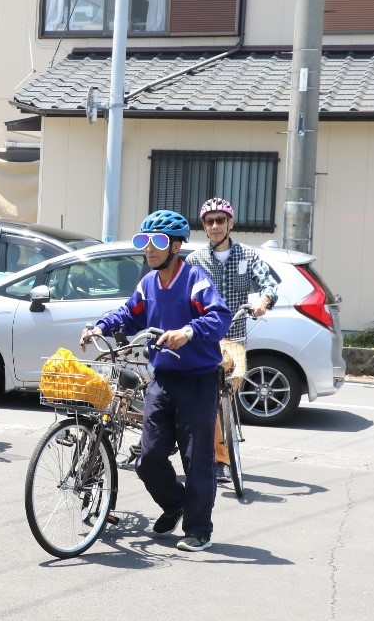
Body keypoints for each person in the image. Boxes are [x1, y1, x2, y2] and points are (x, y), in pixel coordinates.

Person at [81, 210, 230, 552]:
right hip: (162, 378)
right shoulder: (148, 283)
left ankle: (198, 528)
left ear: (176, 246)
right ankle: (175, 502)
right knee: (147, 457)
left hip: (198, 380)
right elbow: (130, 312)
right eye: (143, 241)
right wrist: (100, 326)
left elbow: (218, 316)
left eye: (158, 241)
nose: (149, 248)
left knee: (197, 458)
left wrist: (189, 331)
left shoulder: (194, 279)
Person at [186, 197, 278, 484]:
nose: (215, 226)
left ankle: (220, 451)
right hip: (205, 339)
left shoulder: (247, 257)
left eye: (220, 220)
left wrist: (263, 300)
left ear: (230, 223)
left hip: (235, 338)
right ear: (204, 226)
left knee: (227, 393)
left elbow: (269, 283)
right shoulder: (194, 260)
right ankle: (220, 459)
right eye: (209, 221)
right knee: (210, 401)